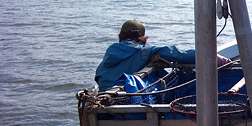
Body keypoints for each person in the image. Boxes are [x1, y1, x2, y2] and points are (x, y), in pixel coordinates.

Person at [95, 20, 230, 91]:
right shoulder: (145, 52)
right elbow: (179, 55)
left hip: (104, 101)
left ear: (120, 36)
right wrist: (212, 57)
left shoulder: (109, 55)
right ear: (142, 38)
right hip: (126, 103)